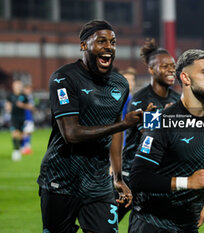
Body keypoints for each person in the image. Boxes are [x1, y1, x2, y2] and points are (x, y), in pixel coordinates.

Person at [37, 20, 143, 233]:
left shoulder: (120, 84)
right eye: (101, 41)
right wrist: (122, 124)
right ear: (84, 45)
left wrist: (118, 178)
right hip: (61, 179)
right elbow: (71, 134)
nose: (109, 47)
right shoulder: (64, 78)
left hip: (98, 182)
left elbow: (115, 134)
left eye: (113, 42)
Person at [128, 49, 204, 233]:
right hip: (152, 223)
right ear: (185, 78)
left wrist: (203, 200)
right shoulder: (161, 120)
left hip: (188, 224)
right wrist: (188, 182)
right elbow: (138, 178)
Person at [117, 38, 180, 222]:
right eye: (165, 65)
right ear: (151, 70)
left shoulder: (178, 99)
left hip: (158, 177)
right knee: (105, 224)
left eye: (173, 65)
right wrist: (164, 117)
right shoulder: (141, 99)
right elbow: (147, 136)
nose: (171, 69)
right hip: (132, 175)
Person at [5, 79, 34, 161]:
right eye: (16, 85)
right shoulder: (10, 95)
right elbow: (7, 104)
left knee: (21, 135)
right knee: (14, 133)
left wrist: (22, 105)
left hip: (22, 118)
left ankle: (20, 148)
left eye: (19, 85)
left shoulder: (24, 96)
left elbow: (30, 106)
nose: (17, 87)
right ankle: (15, 150)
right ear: (13, 86)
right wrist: (8, 107)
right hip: (13, 118)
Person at [21, 83, 35, 155]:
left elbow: (32, 107)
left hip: (30, 117)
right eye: (27, 89)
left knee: (29, 132)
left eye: (29, 89)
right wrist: (28, 106)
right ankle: (23, 148)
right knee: (25, 133)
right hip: (25, 117)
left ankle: (27, 147)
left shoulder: (30, 97)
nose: (29, 90)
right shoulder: (22, 97)